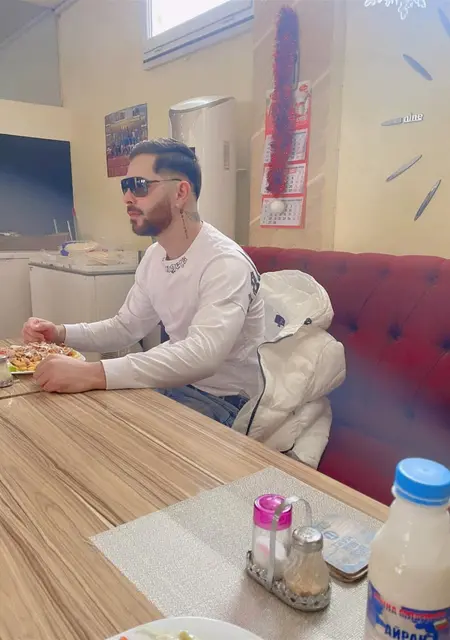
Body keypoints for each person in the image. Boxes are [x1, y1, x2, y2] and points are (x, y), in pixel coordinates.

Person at [23, 138, 265, 427]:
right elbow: (125, 327)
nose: (127, 198)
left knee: (113, 437)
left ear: (181, 192)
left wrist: (92, 373)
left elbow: (204, 355)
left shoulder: (225, 263)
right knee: (76, 417)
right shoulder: (154, 256)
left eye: (139, 186)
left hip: (225, 399)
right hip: (174, 383)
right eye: (125, 186)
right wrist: (60, 333)